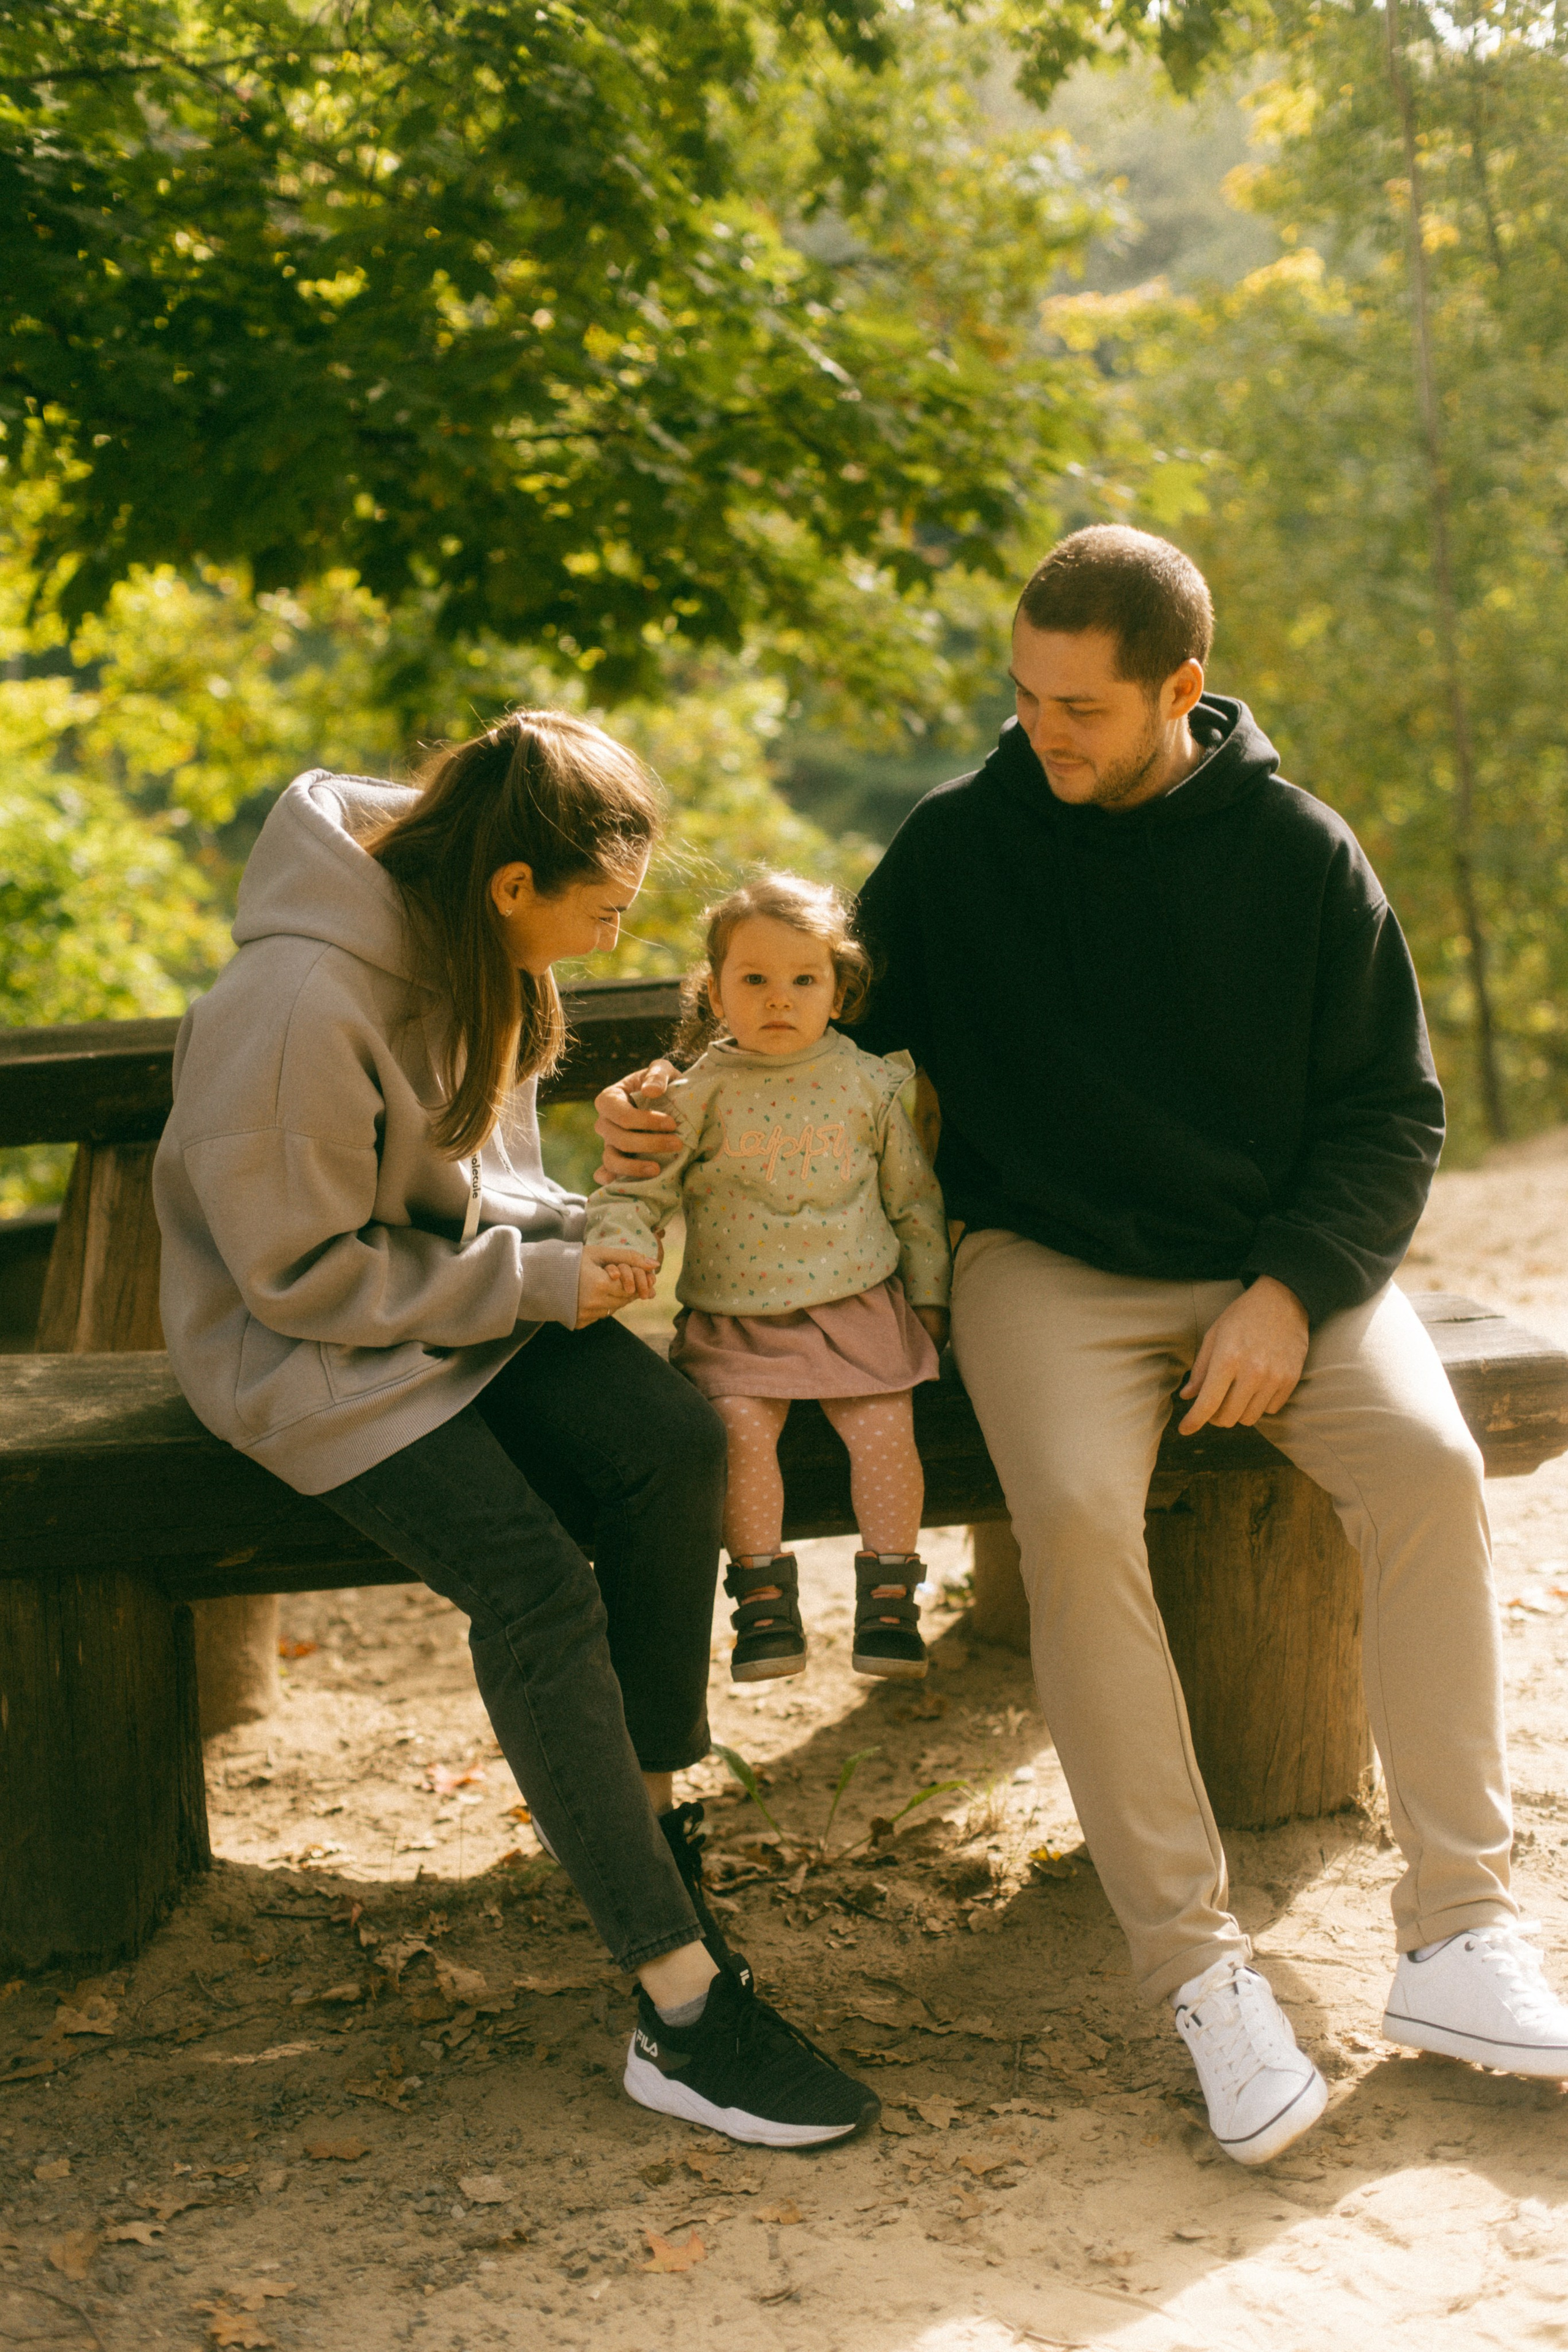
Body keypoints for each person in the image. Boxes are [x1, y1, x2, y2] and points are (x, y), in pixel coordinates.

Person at [595, 528, 1568, 2168]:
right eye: (1029, 695)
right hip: (1043, 1265)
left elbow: (1393, 1110)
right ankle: (1201, 1975)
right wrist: (671, 1086)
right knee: (1072, 1517)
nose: (1046, 731)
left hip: (1278, 1272)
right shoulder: (965, 848)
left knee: (1429, 1465)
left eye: (1085, 708)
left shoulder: (1302, 856)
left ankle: (1462, 1934)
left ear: (1181, 692)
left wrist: (1290, 1290)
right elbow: (821, 1014)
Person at [153, 708, 879, 2149]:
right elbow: (295, 1275)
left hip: (447, 1305)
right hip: (306, 1352)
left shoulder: (470, 941)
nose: (611, 939)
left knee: (672, 1443)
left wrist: (589, 1219)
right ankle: (679, 2005)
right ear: (510, 883)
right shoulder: (298, 1005)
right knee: (536, 1585)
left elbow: (471, 1191)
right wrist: (540, 1280)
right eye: (600, 912)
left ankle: (647, 1832)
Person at [586, 873, 951, 1684]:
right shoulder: (696, 1094)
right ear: (715, 992)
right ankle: (762, 1607)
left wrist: (929, 1298)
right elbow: (637, 1187)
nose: (778, 1000)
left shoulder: (871, 1083)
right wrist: (620, 1245)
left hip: (857, 1306)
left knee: (884, 1429)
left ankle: (890, 1604)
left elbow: (914, 1200)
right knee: (739, 1436)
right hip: (737, 1317)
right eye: (754, 980)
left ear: (839, 989)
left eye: (803, 980)